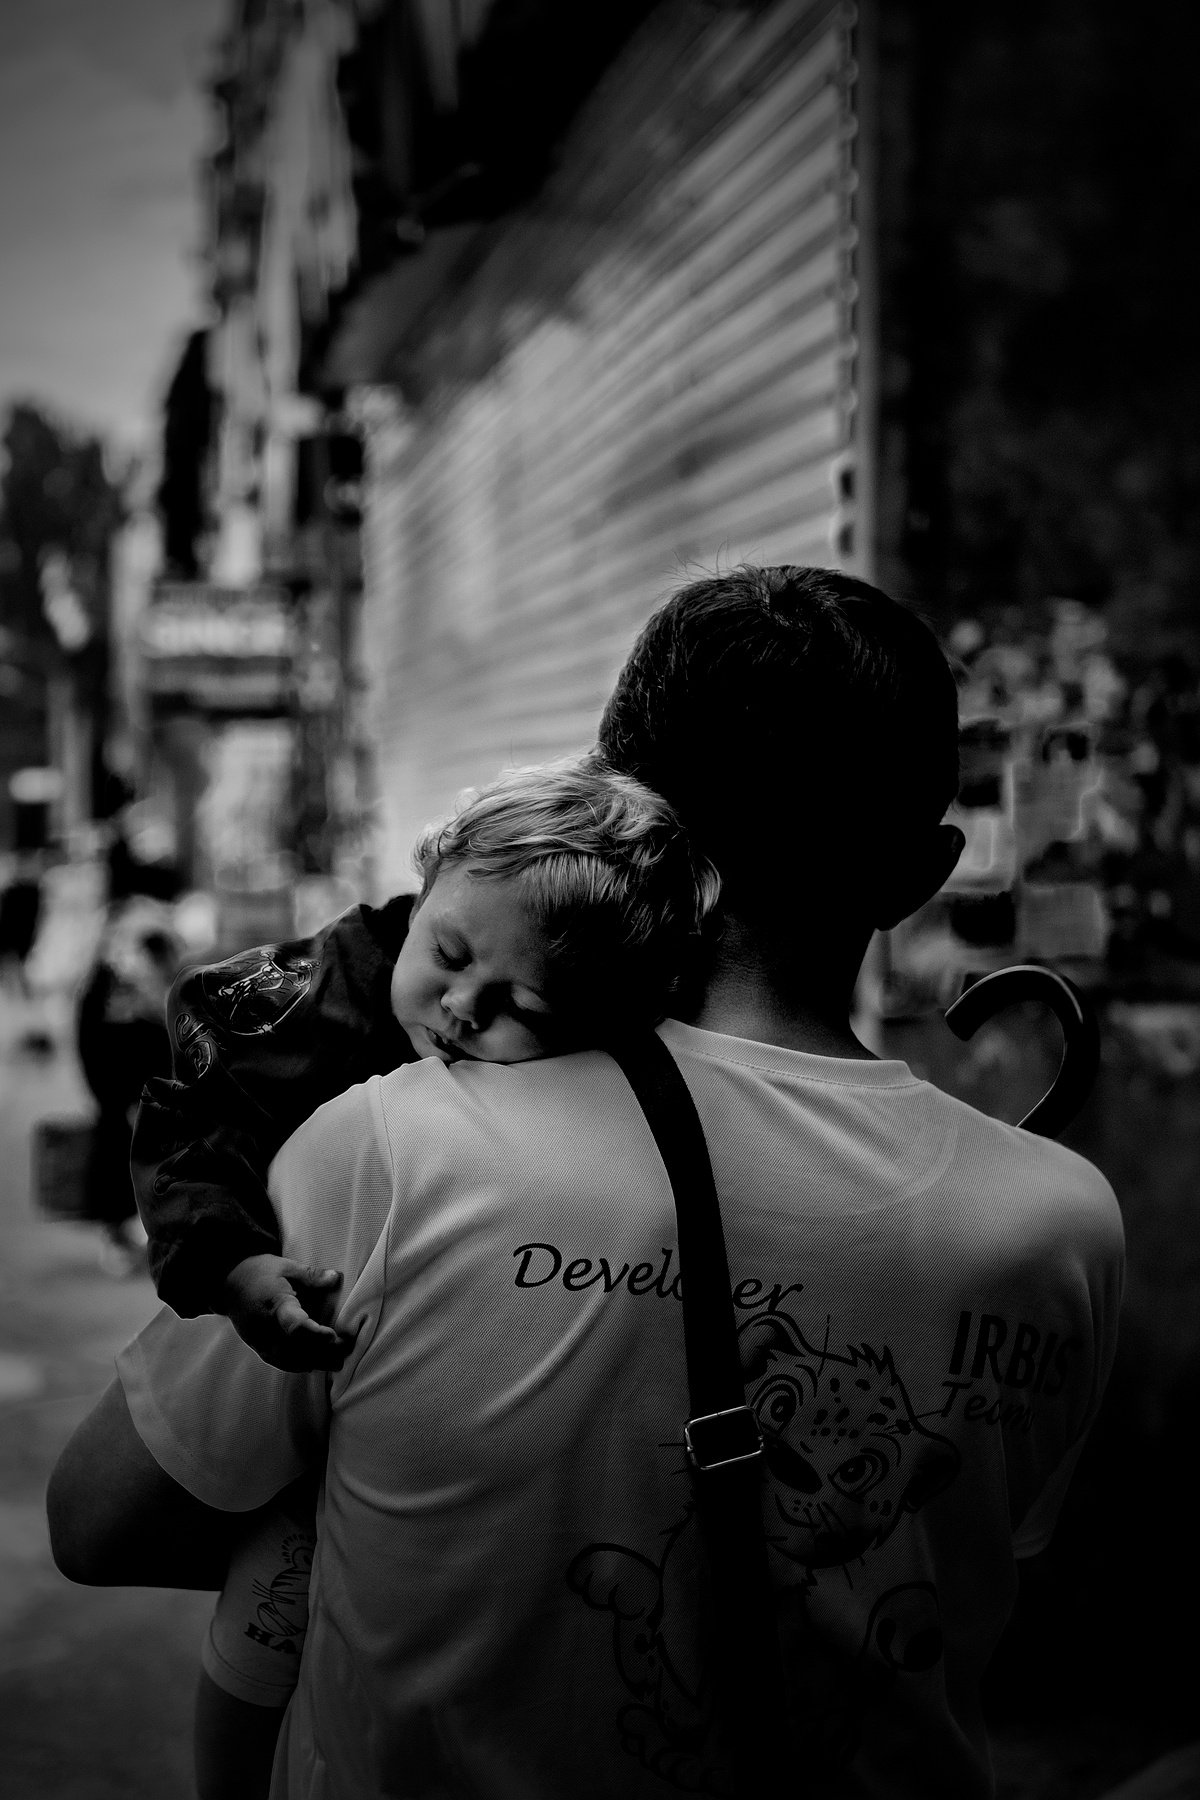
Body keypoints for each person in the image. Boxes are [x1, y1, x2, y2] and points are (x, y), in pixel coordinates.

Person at [48, 566, 1124, 1800]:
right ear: (921, 873)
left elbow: (98, 1519)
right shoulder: (1057, 1230)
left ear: (608, 805)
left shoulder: (396, 1146)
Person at [141, 756, 719, 1793]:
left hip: (404, 1425)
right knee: (266, 1612)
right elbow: (192, 1095)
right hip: (283, 1314)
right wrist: (228, 1260)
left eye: (523, 1010)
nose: (459, 1008)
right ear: (432, 869)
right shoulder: (315, 999)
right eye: (448, 952)